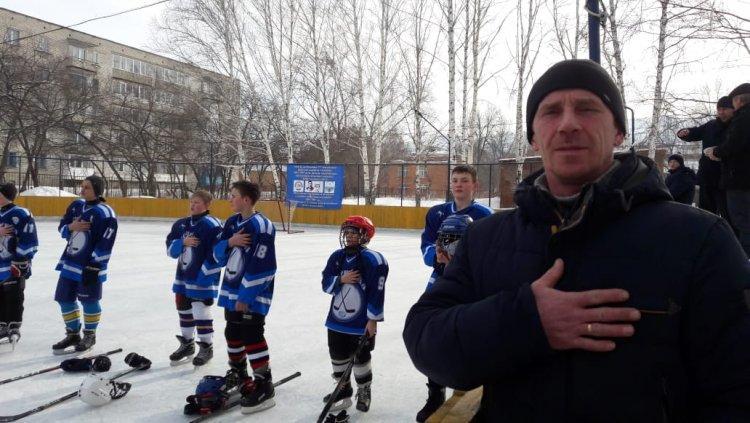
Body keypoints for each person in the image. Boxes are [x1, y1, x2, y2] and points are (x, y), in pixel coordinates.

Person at [403, 59, 750, 421]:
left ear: (619, 131)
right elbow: (427, 341)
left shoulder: (699, 239)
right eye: (551, 111)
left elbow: (738, 390)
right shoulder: (486, 238)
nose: (568, 123)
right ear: (534, 136)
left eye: (587, 108)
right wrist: (525, 322)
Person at [416, 164, 492, 421]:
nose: (459, 184)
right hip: (440, 280)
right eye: (455, 180)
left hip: (471, 284)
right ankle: (435, 394)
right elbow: (426, 245)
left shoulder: (485, 215)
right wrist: (437, 258)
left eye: (464, 180)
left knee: (468, 335)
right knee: (435, 335)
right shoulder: (436, 212)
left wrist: (465, 263)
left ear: (474, 185)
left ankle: (468, 392)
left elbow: (490, 251)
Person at [213, 180, 277, 414]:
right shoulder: (232, 222)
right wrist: (230, 242)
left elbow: (265, 265)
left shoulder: (262, 226)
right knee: (232, 332)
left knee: (251, 334)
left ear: (247, 200)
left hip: (253, 294)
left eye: (233, 195)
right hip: (231, 290)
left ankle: (264, 383)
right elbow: (217, 256)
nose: (229, 199)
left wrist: (246, 295)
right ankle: (240, 374)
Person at [320, 215, 388, 416]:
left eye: (354, 232)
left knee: (361, 358)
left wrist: (373, 320)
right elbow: (325, 282)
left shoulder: (373, 260)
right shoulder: (337, 256)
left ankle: (364, 389)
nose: (349, 236)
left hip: (360, 322)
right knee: (337, 356)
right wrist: (341, 279)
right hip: (336, 320)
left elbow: (377, 293)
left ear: (365, 235)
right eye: (347, 232)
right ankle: (343, 389)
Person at [53, 175, 118, 354]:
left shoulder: (105, 213)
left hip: (90, 266)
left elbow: (106, 242)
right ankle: (73, 334)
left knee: (89, 300)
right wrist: (70, 227)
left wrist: (95, 264)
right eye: (82, 186)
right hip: (70, 261)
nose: (82, 190)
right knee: (64, 298)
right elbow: (62, 227)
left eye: (87, 187)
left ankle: (89, 335)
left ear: (97, 189)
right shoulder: (76, 205)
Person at [165, 190, 223, 366]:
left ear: (207, 205)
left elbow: (218, 253)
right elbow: (170, 251)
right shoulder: (181, 224)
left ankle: (206, 346)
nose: (192, 205)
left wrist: (206, 274)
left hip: (202, 276)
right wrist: (182, 243)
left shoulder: (212, 225)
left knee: (200, 311)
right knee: (183, 308)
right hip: (183, 276)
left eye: (197, 202)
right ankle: (187, 343)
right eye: (191, 202)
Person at [706, 83, 750, 255]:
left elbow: (733, 144)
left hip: (739, 180)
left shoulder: (743, 118)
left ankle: (743, 259)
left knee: (742, 222)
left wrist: (716, 152)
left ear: (738, 100)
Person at [676, 96, 734, 215]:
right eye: (719, 109)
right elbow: (696, 132)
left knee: (729, 213)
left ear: (733, 109)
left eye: (724, 109)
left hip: (728, 177)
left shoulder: (737, 127)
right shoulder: (711, 125)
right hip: (707, 175)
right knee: (707, 212)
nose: (721, 112)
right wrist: (686, 133)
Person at [0, 182, 38, 344]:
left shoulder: (21, 213)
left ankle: (14, 325)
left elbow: (29, 238)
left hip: (14, 263)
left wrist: (21, 259)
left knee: (14, 294)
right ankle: (2, 324)